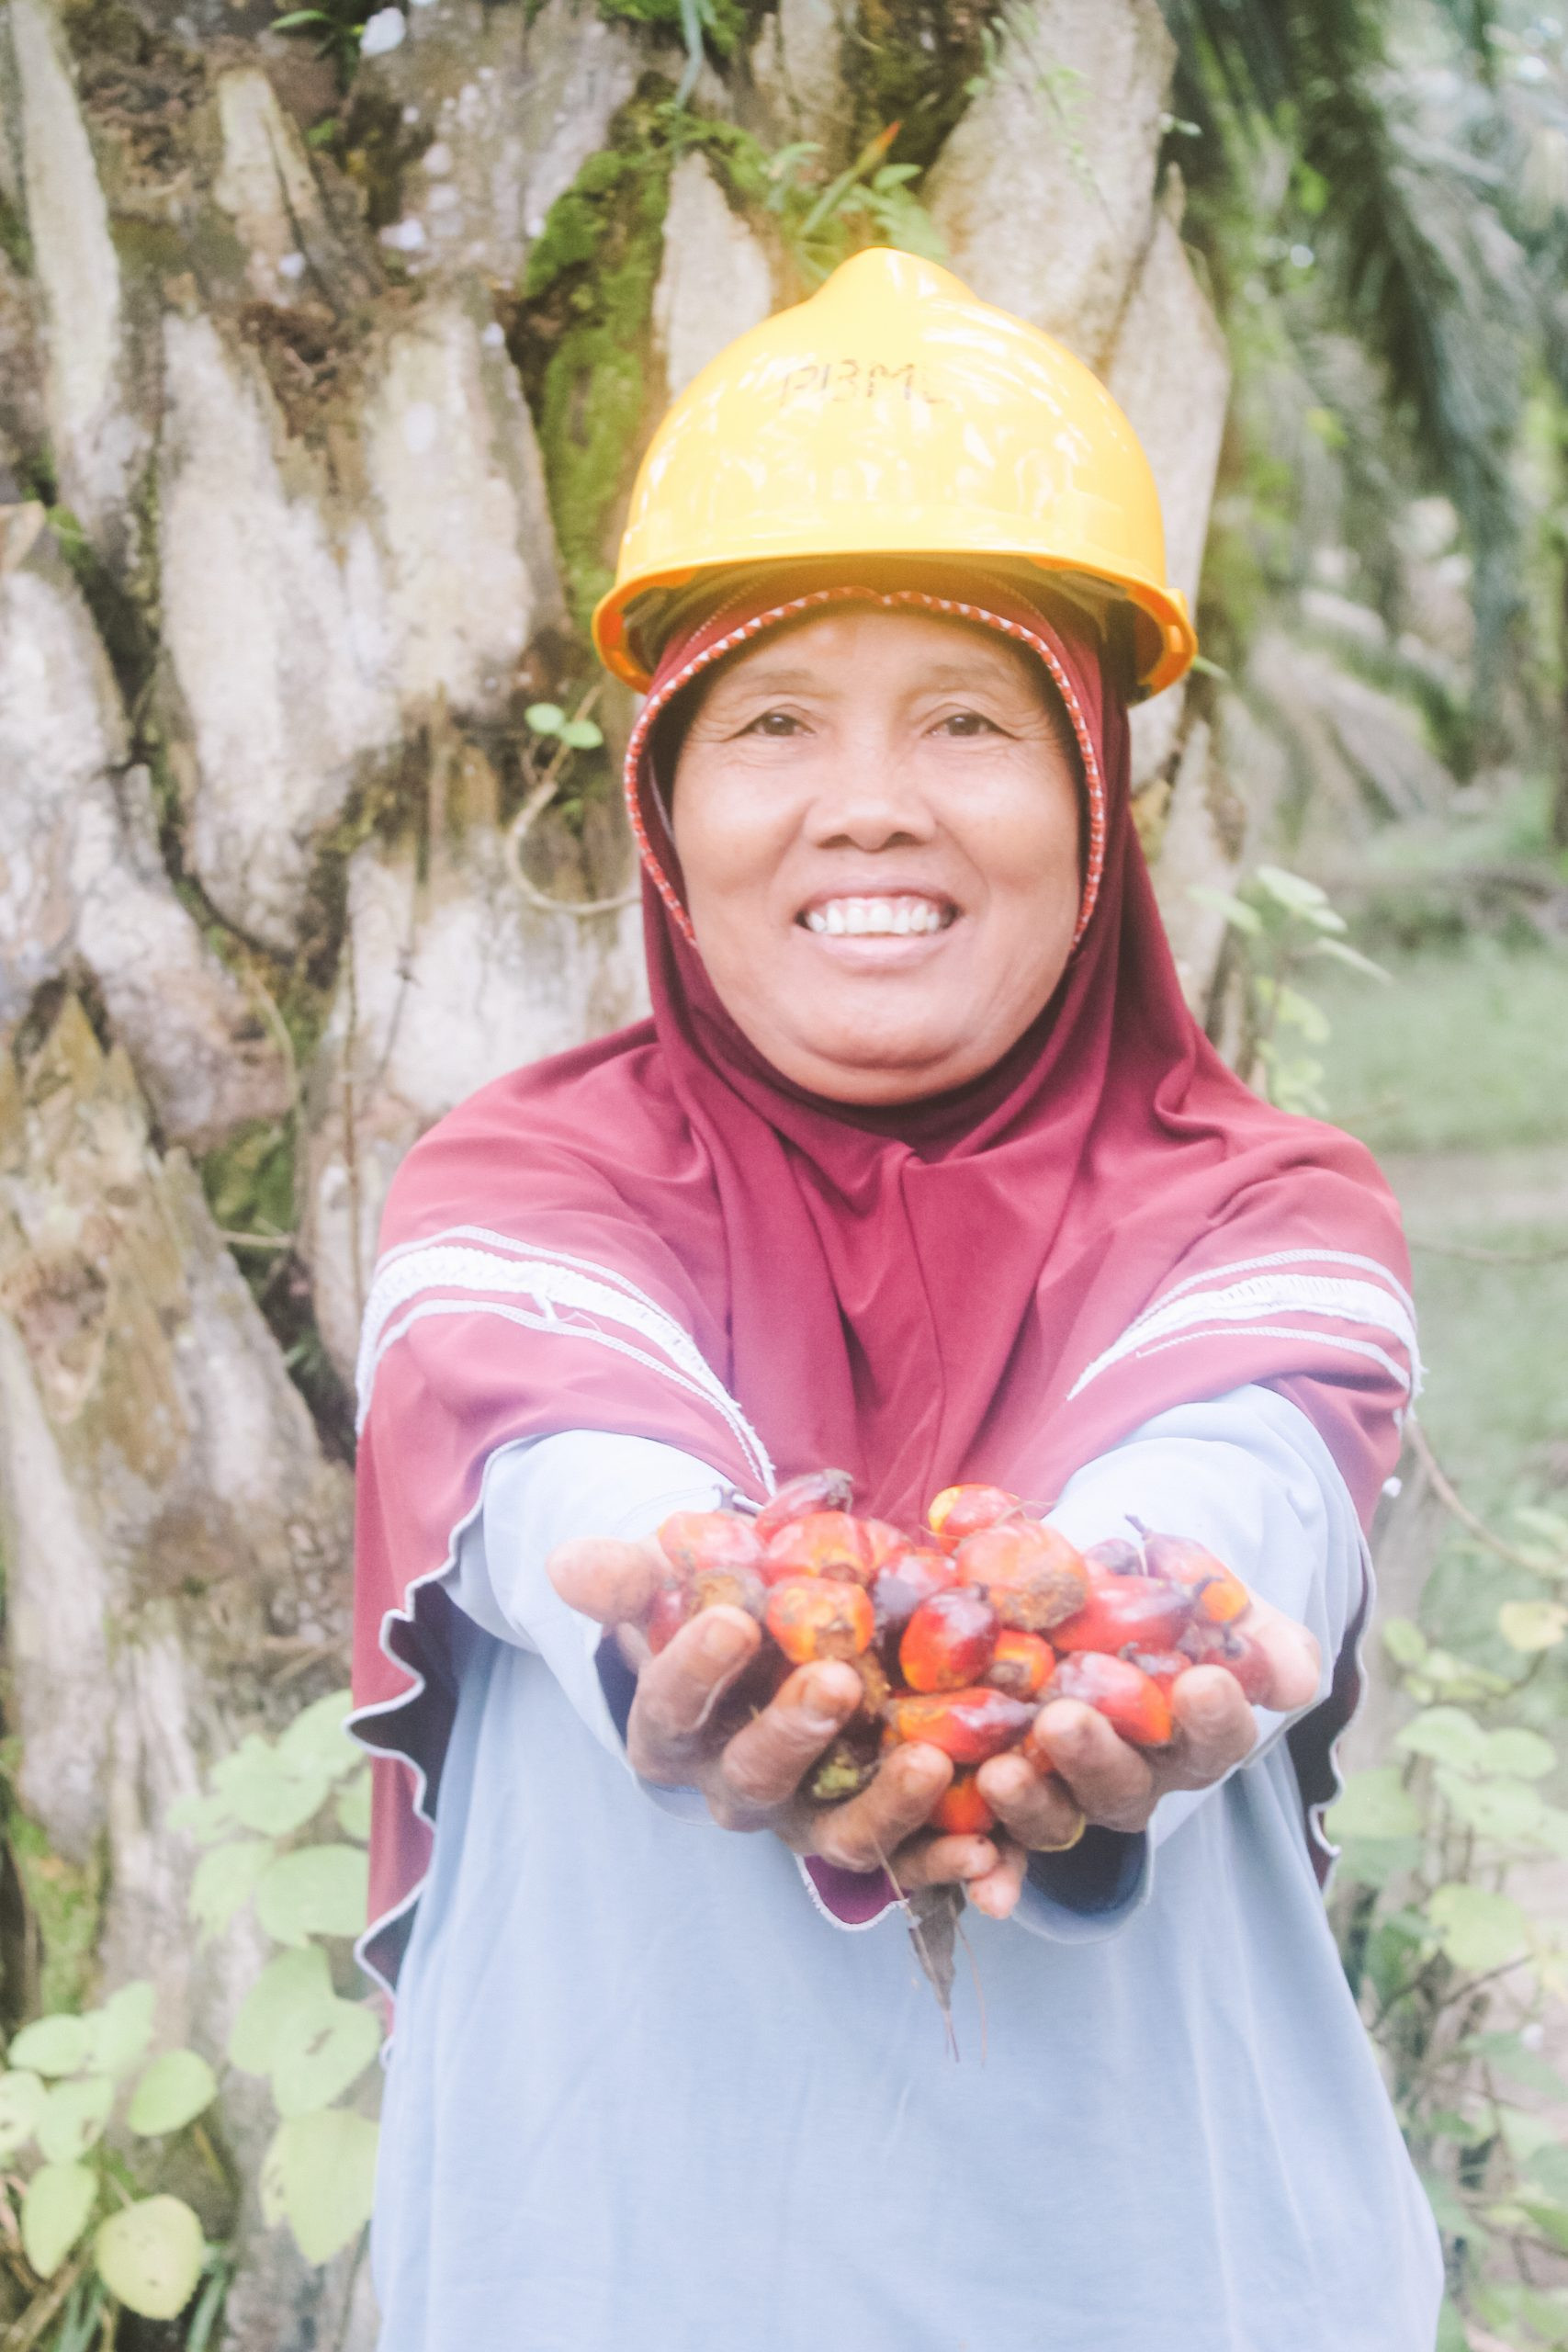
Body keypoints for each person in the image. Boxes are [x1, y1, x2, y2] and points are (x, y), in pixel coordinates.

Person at [352, 249, 1443, 2350]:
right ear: (662, 809)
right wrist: (689, 1619)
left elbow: (1233, 1484)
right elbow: (557, 1458)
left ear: (1093, 808)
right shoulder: (518, 1187)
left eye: (964, 718)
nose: (869, 799)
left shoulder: (1269, 1210)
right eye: (772, 722)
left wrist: (1113, 1621)